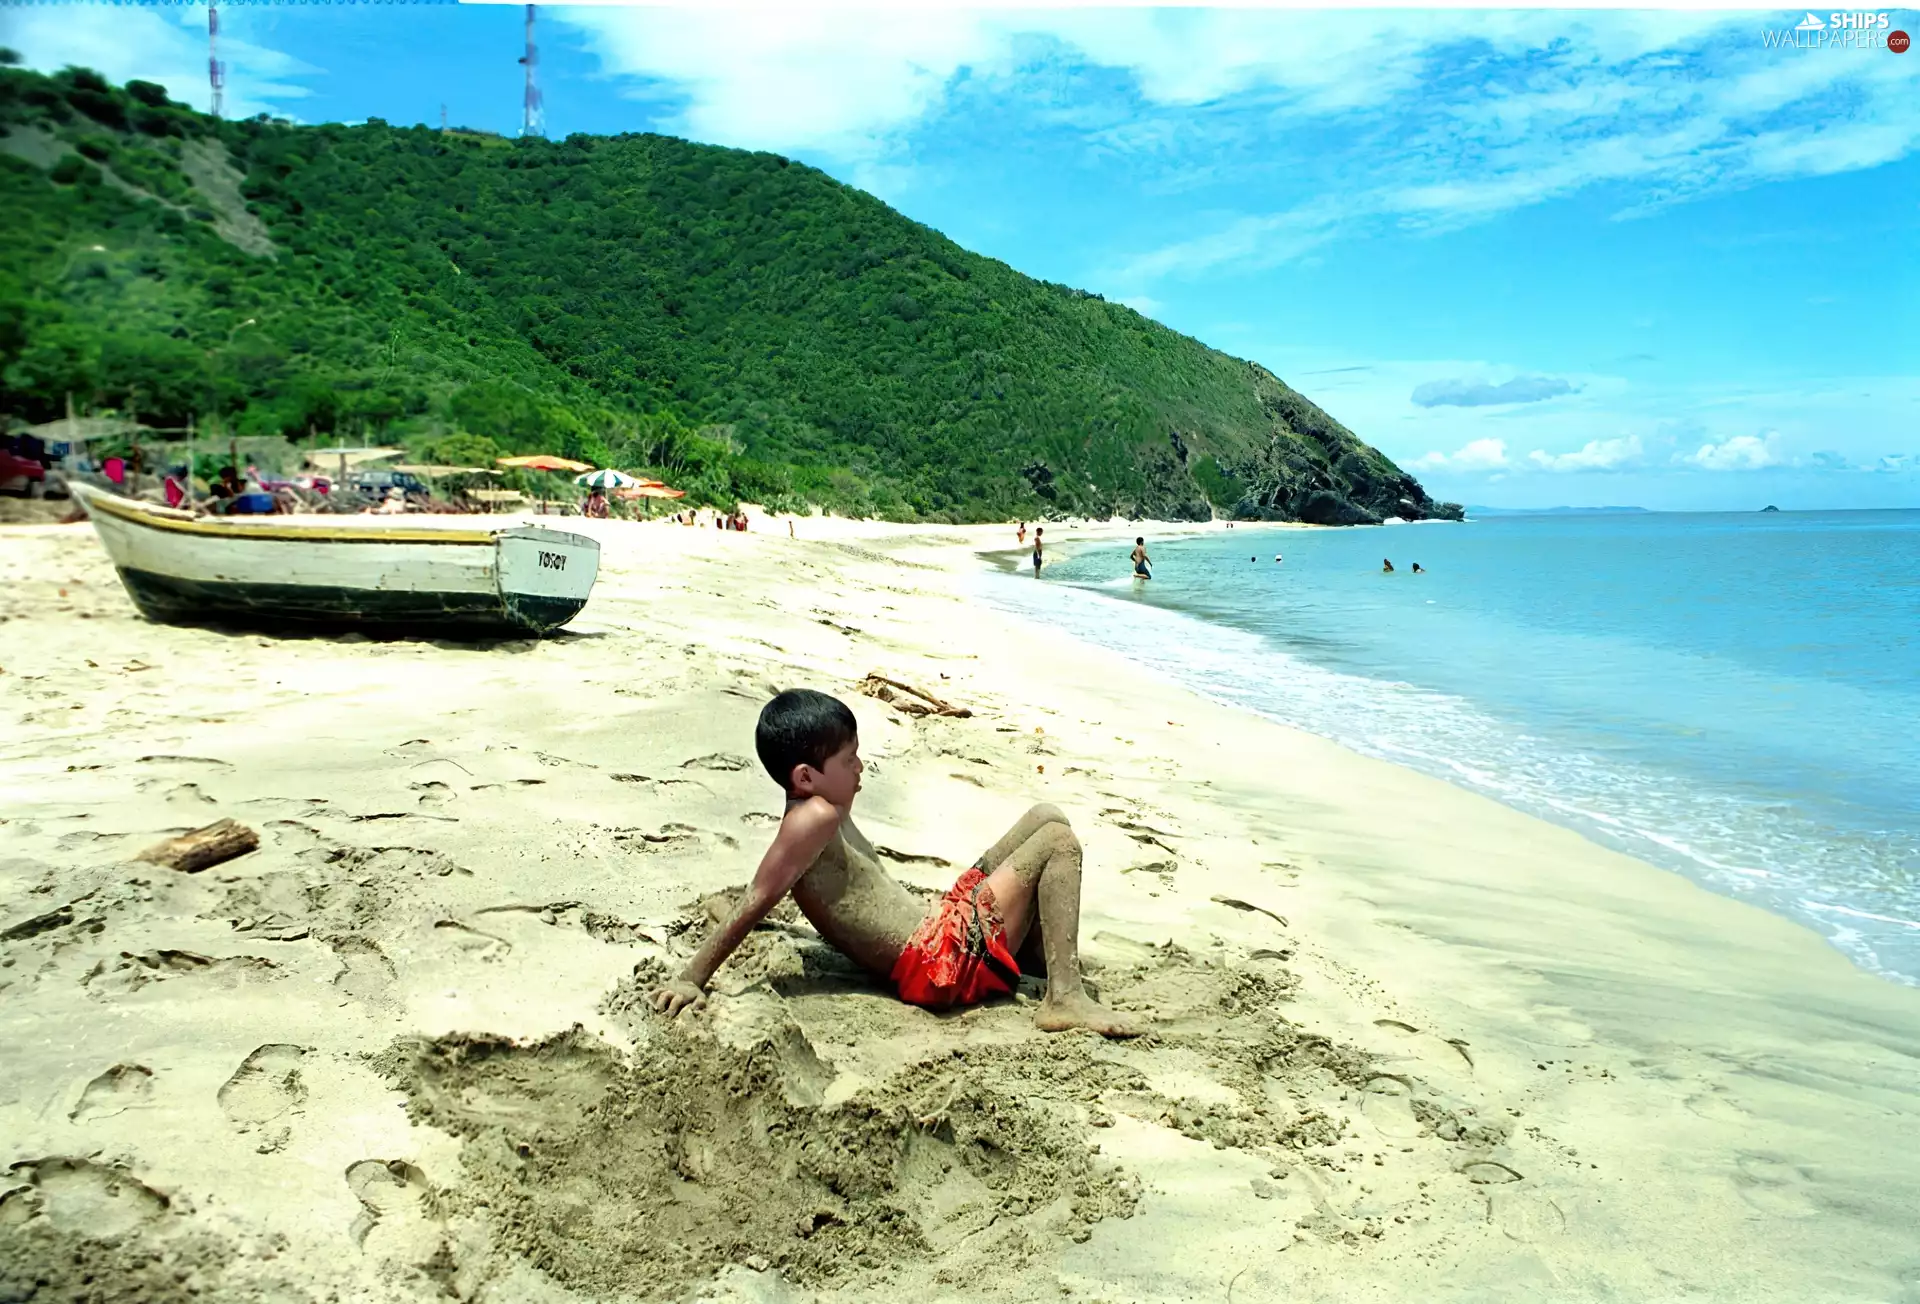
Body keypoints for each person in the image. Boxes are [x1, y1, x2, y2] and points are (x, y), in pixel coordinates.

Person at [650, 690, 1142, 1037]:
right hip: (940, 964)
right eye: (849, 760)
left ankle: (1034, 958)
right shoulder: (813, 818)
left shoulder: (821, 809)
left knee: (1046, 815)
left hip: (943, 929)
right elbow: (760, 895)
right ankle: (1064, 998)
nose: (861, 767)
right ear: (805, 777)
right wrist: (691, 978)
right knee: (1058, 841)